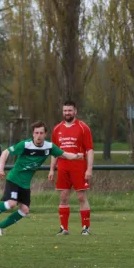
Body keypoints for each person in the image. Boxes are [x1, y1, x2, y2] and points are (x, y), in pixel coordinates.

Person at [0, 121, 83, 236]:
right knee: (11, 203)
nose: (38, 135)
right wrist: (0, 169)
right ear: (33, 134)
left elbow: (65, 155)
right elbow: (5, 153)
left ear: (45, 134)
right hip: (14, 179)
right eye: (36, 133)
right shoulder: (25, 145)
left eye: (41, 133)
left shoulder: (49, 147)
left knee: (25, 210)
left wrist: (77, 156)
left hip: (25, 184)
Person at [48, 100, 94, 236]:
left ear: (75, 111)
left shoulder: (83, 127)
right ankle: (64, 228)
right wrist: (51, 169)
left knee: (81, 197)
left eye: (70, 110)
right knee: (63, 197)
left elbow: (90, 149)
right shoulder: (57, 129)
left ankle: (86, 228)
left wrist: (89, 169)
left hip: (79, 167)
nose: (67, 113)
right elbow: (54, 151)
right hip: (63, 167)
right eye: (65, 111)